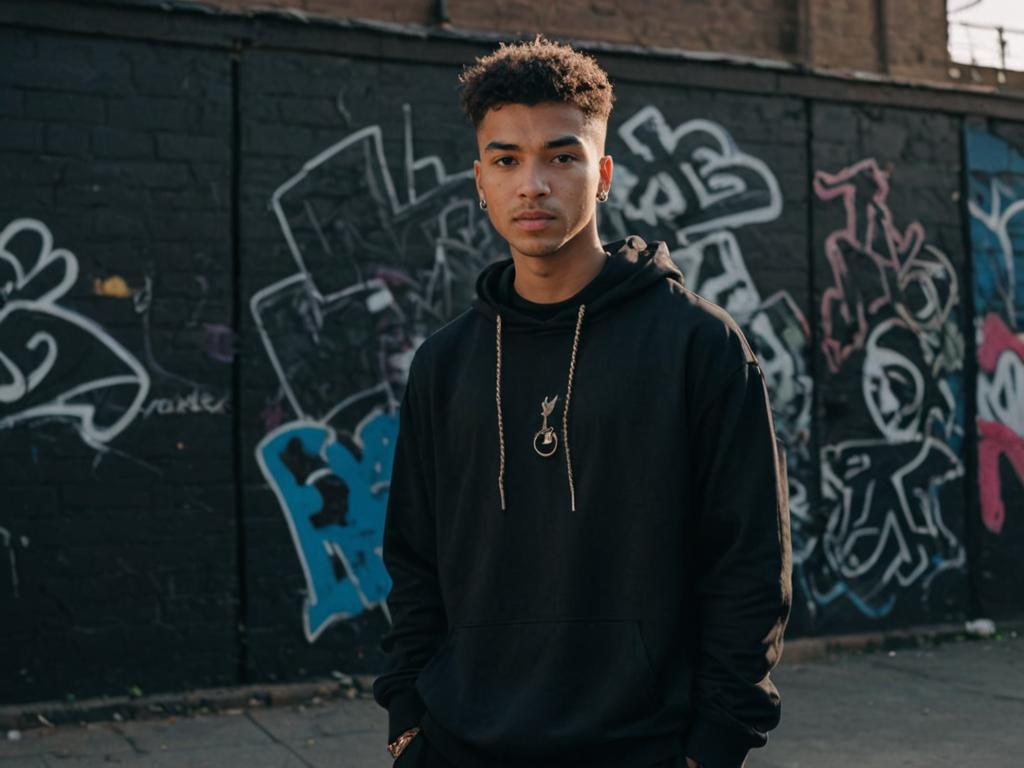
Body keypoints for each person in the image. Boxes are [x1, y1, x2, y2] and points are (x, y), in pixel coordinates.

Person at [372, 36, 792, 768]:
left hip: (645, 747)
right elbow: (413, 557)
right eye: (506, 160)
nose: (532, 184)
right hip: (459, 745)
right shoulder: (445, 362)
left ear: (600, 175)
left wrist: (717, 741)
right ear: (479, 179)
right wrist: (408, 721)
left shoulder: (698, 345)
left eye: (561, 157)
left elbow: (749, 558)